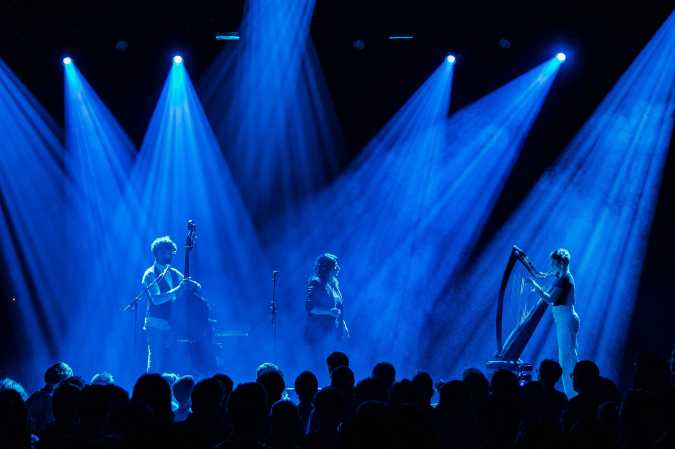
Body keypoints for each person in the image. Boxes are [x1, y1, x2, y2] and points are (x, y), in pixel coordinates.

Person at [141, 236, 200, 373]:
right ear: (158, 253)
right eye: (168, 252)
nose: (171, 255)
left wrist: (194, 287)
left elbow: (193, 285)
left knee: (174, 360)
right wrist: (178, 289)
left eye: (172, 252)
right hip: (156, 323)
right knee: (155, 360)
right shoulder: (149, 274)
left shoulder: (173, 272)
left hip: (173, 323)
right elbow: (156, 300)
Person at [527, 248, 579, 396]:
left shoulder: (565, 279)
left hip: (566, 318)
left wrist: (534, 284)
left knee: (568, 360)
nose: (551, 266)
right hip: (564, 317)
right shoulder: (563, 277)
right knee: (567, 357)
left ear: (561, 263)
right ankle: (573, 394)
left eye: (553, 263)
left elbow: (550, 299)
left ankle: (573, 395)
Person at [304, 253, 349, 356]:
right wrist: (328, 312)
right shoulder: (316, 283)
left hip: (332, 333)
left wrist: (343, 325)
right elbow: (310, 307)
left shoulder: (334, 283)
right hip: (318, 334)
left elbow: (339, 308)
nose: (338, 268)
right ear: (327, 268)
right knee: (321, 364)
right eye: (335, 266)